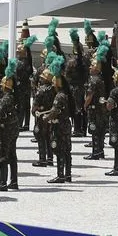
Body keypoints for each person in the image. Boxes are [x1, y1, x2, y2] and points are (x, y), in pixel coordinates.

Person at [42, 56, 72, 184]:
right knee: (66, 150)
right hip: (66, 125)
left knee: (59, 150)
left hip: (59, 126)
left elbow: (54, 111)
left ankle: (60, 175)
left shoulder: (59, 96)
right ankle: (68, 174)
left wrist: (46, 118)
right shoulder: (65, 95)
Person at [0, 58, 19, 192]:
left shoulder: (4, 99)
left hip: (4, 132)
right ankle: (13, 181)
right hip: (13, 130)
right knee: (12, 156)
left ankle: (2, 182)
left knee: (2, 156)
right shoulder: (13, 97)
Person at [84, 46, 110, 161]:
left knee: (95, 130)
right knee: (100, 131)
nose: (90, 67)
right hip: (101, 109)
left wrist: (85, 105)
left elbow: (90, 95)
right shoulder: (100, 78)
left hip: (95, 109)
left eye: (92, 65)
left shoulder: (93, 80)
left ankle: (96, 152)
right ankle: (100, 151)